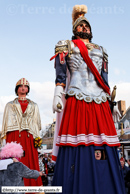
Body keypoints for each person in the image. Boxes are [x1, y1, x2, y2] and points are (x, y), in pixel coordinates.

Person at [50, 4, 125, 194]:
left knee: (103, 140)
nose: (84, 28)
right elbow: (60, 72)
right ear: (74, 28)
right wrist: (58, 91)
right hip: (76, 94)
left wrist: (111, 102)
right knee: (77, 138)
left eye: (87, 26)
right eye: (81, 25)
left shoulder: (102, 49)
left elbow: (104, 78)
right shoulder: (65, 44)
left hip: (100, 98)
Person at [1, 78, 42, 186]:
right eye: (21, 86)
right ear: (17, 89)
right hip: (14, 136)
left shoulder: (34, 105)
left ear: (28, 89)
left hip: (29, 136)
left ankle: (32, 188)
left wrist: (37, 138)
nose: (23, 88)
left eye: (25, 86)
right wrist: (4, 139)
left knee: (30, 160)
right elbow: (5, 123)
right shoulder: (10, 105)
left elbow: (37, 123)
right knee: (14, 161)